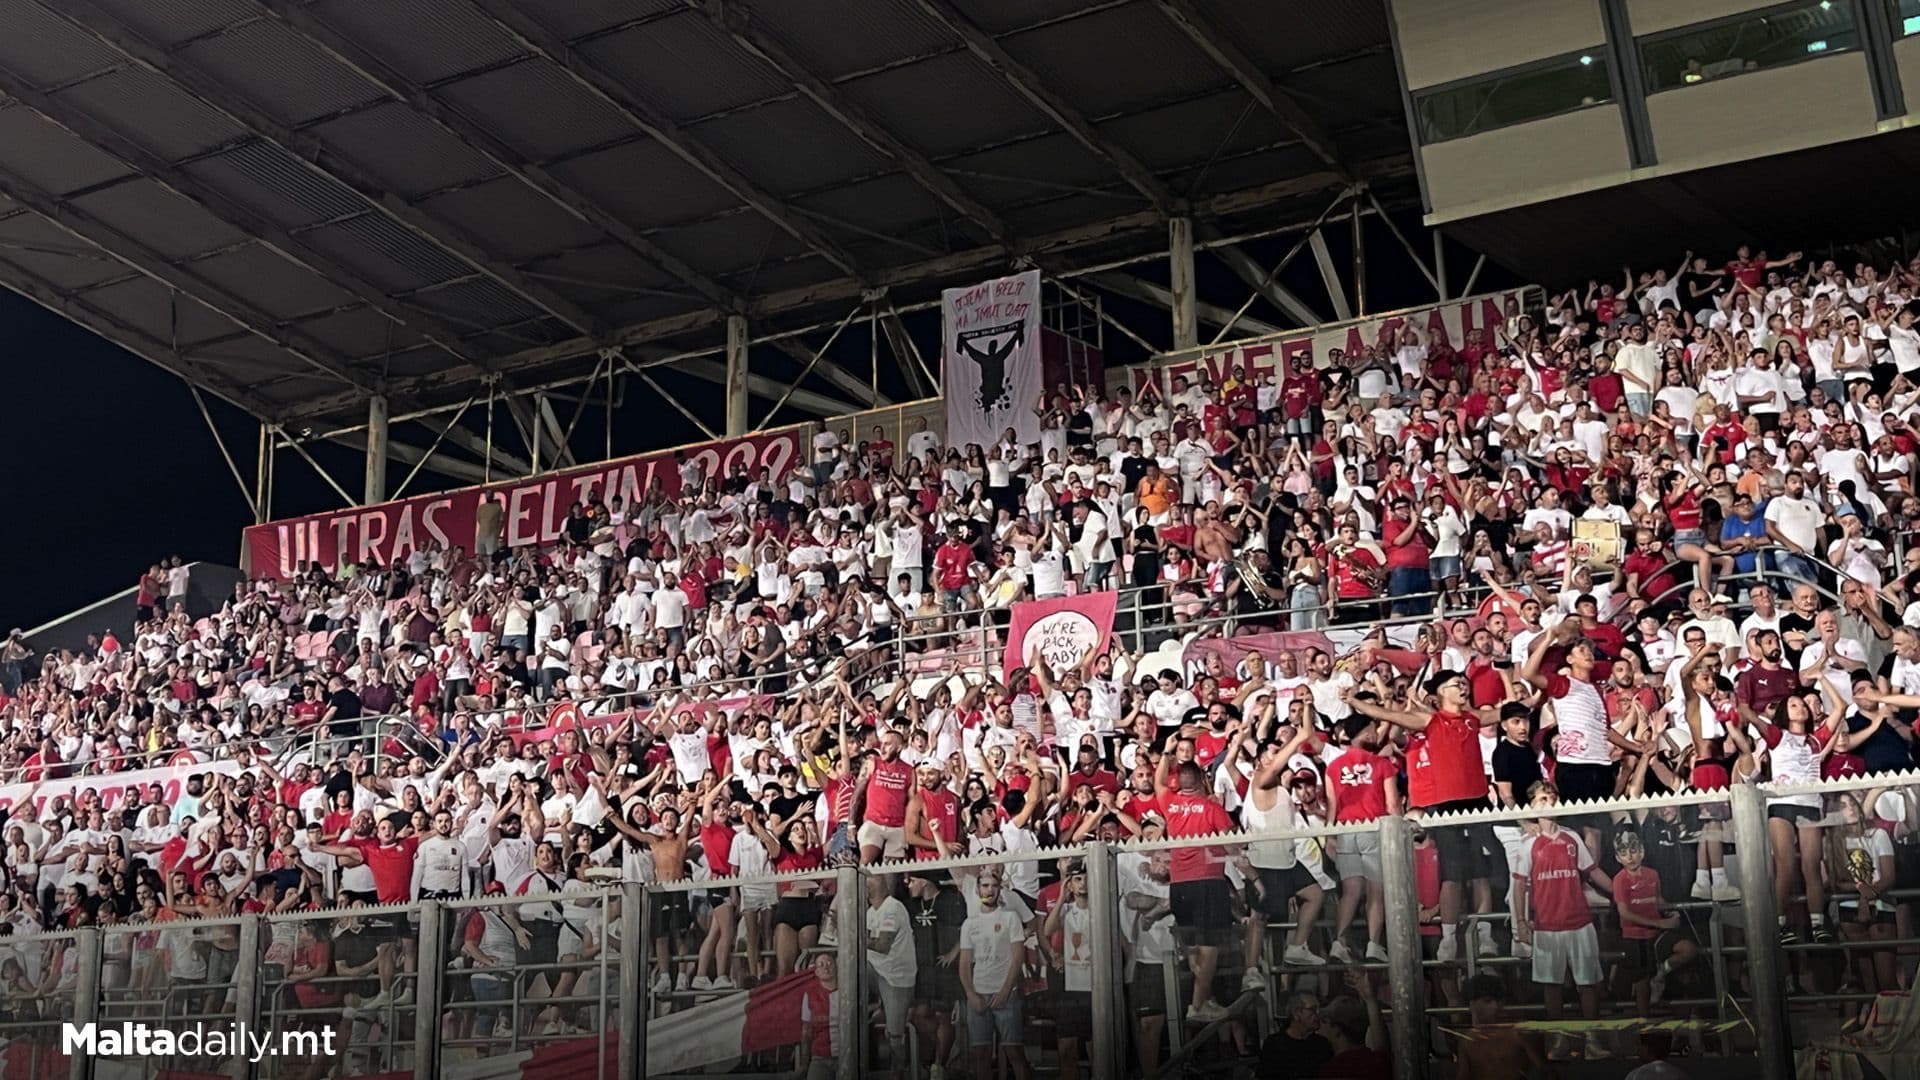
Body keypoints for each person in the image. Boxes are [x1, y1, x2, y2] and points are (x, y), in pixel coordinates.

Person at [1511, 782, 1612, 1062]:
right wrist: (1521, 921)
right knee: (1552, 986)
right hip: (1546, 925)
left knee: (1588, 984)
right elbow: (1519, 886)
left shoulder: (1571, 837)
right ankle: (1560, 1041)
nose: (1549, 802)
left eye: (1553, 797)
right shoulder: (1526, 843)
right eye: (1543, 798)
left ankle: (1593, 1041)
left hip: (1579, 921)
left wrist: (1619, 893)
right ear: (1532, 804)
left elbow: (1592, 872)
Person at [958, 868, 1031, 1080]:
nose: (989, 890)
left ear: (1000, 889)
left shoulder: (1010, 918)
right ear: (978, 888)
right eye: (985, 885)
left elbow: (1018, 957)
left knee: (1014, 1053)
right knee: (980, 1055)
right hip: (979, 995)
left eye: (994, 886)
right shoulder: (969, 923)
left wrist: (1005, 991)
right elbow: (964, 964)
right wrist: (971, 994)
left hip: (1006, 995)